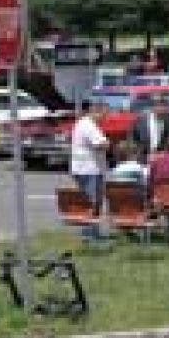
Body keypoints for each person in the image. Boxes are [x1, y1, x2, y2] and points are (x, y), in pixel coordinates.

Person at [71, 101, 109, 240]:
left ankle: (91, 231)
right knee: (93, 202)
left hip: (82, 167)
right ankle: (90, 234)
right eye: (104, 114)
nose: (105, 117)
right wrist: (108, 143)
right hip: (90, 169)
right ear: (95, 111)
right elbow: (100, 144)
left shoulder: (82, 123)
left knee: (89, 201)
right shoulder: (89, 125)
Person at [130, 94, 169, 163]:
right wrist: (140, 153)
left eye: (164, 107)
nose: (162, 109)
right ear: (154, 107)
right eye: (159, 106)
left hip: (166, 157)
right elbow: (135, 138)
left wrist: (164, 154)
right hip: (145, 155)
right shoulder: (143, 120)